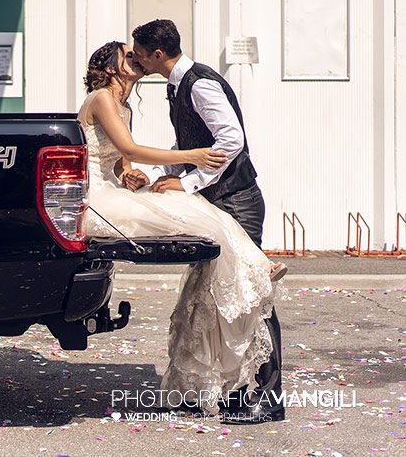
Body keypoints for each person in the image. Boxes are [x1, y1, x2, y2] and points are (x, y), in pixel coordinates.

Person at [78, 39, 283, 421]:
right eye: (127, 55)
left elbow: (123, 163)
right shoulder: (103, 97)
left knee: (188, 209)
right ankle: (257, 264)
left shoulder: (125, 104)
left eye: (136, 52)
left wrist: (133, 176)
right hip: (98, 197)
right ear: (110, 67)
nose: (134, 59)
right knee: (186, 207)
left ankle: (255, 389)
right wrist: (189, 158)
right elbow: (131, 149)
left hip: (120, 190)